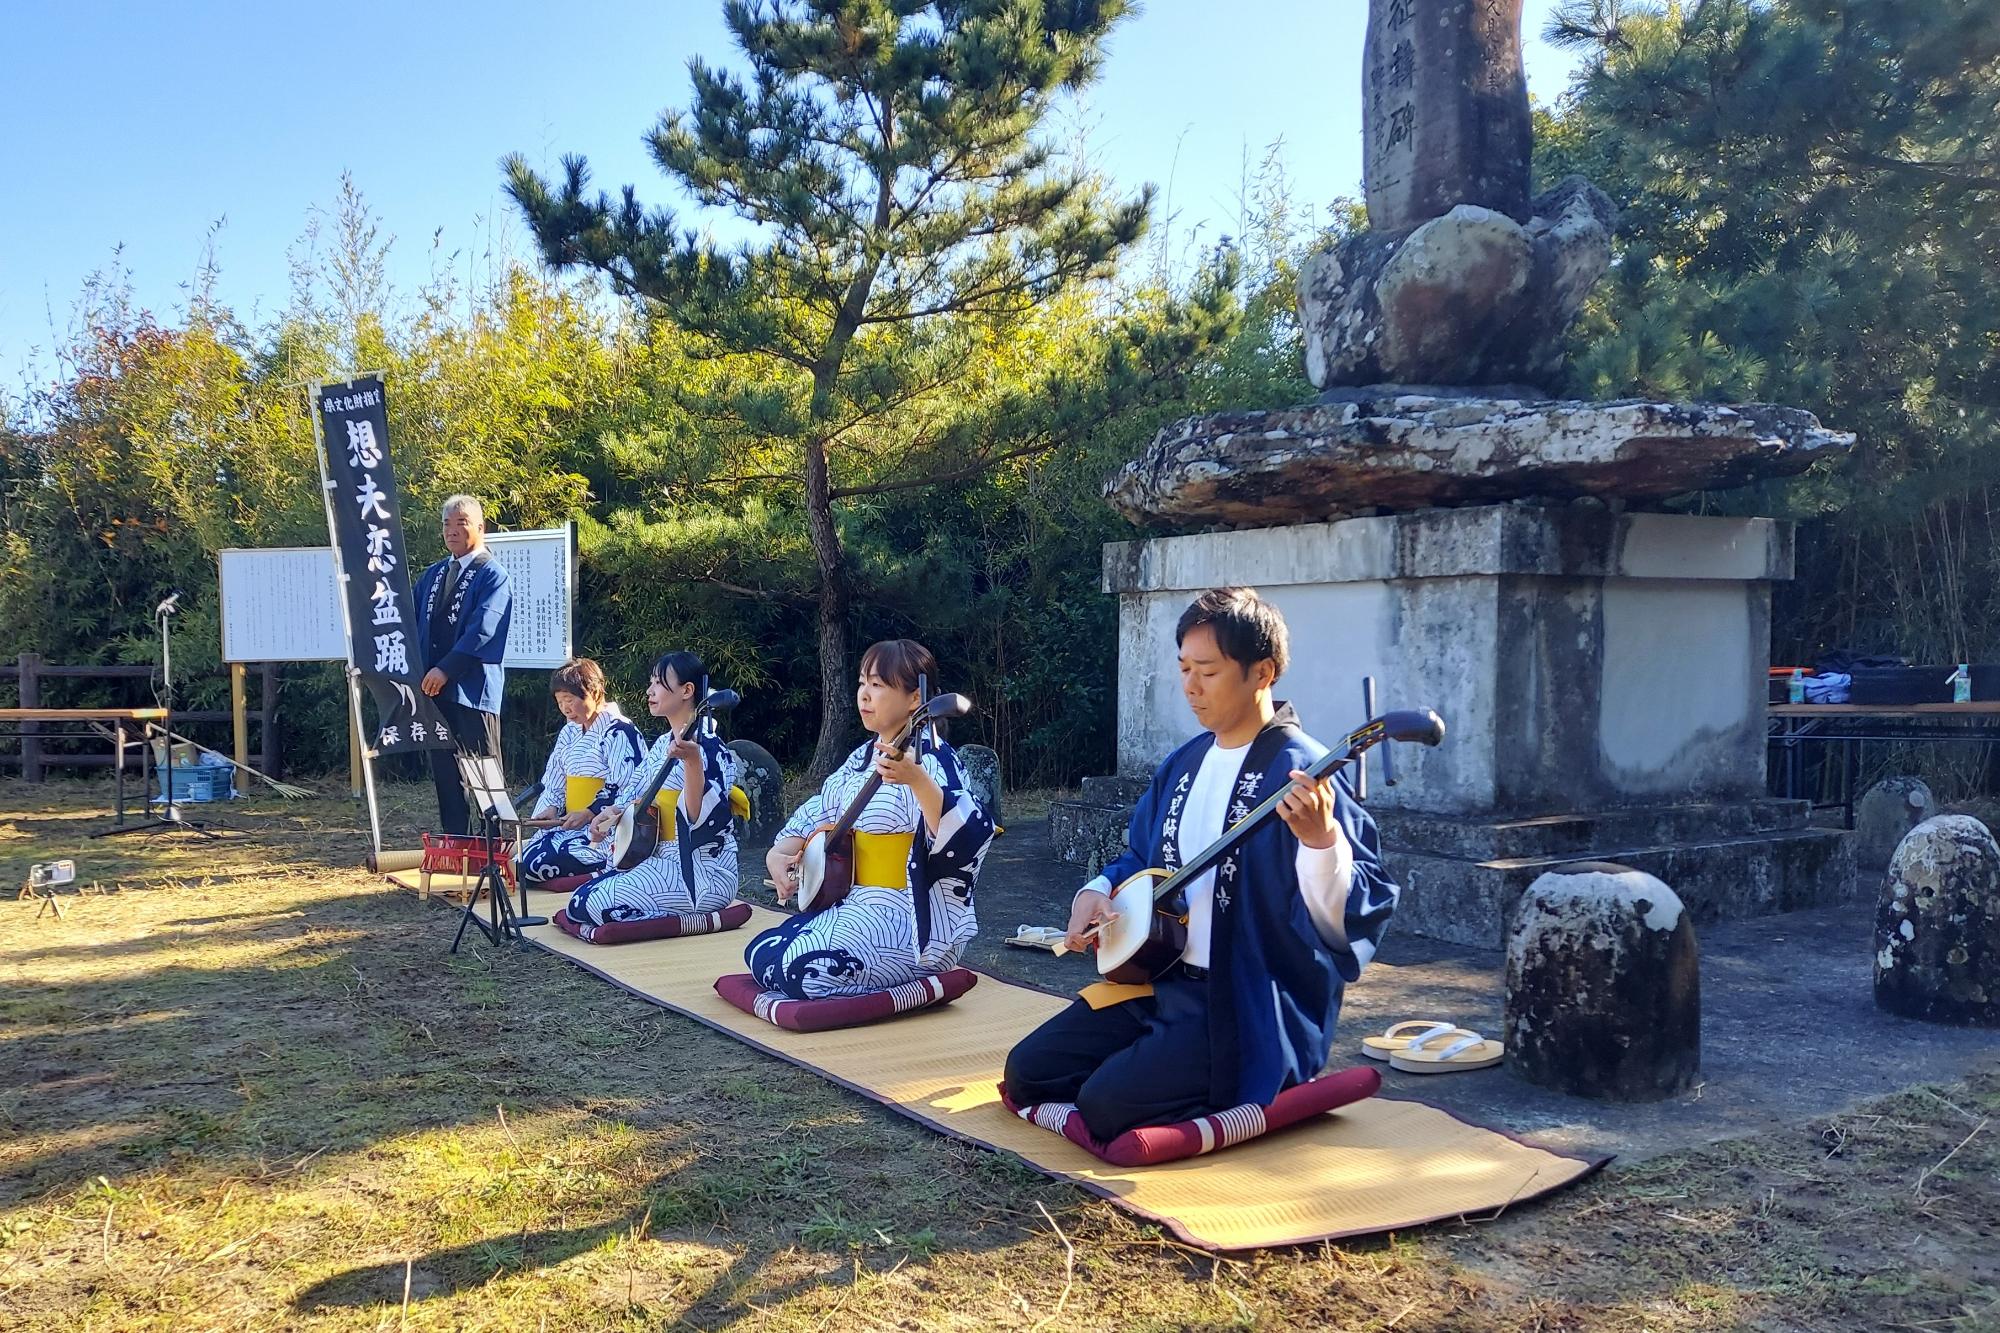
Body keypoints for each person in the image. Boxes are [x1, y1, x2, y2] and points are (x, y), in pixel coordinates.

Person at [1002, 587, 1399, 1142]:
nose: (1190, 686)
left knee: (1104, 1106)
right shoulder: (1184, 763)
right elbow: (1142, 859)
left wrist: (1320, 840)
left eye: (1207, 672)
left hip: (1245, 1004)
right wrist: (1095, 890)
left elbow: (1355, 911)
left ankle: (1216, 1080)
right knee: (1027, 1073)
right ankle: (1155, 1064)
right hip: (1160, 981)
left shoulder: (1304, 772)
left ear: (1262, 672)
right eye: (1184, 668)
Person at [750, 639, 993, 999]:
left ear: (915, 699)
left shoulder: (935, 759)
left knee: (799, 972)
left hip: (905, 916)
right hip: (852, 902)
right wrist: (778, 853)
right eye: (862, 683)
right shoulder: (860, 759)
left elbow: (966, 834)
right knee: (761, 953)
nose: (864, 694)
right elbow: (817, 811)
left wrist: (918, 781)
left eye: (877, 685)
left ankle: (920, 977)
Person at [566, 651, 740, 926]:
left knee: (594, 904)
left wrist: (693, 762)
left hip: (701, 870)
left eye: (658, 683)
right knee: (580, 900)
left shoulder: (711, 749)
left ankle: (672, 920)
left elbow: (698, 818)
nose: (650, 691)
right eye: (651, 683)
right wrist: (608, 815)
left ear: (687, 690)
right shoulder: (661, 745)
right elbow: (632, 792)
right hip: (657, 858)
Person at [412, 494, 513, 836]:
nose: (452, 531)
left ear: (480, 528)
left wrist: (445, 670)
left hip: (473, 690)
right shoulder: (433, 575)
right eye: (447, 524)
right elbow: (410, 625)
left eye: (461, 523)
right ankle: (457, 845)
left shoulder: (492, 574)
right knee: (445, 771)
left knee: (484, 771)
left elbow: (485, 629)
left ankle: (498, 849)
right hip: (434, 692)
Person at [515, 658, 647, 888]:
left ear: (594, 693)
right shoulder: (569, 732)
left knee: (530, 863)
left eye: (570, 699)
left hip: (603, 831)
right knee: (517, 854)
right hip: (569, 822)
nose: (565, 708)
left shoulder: (620, 730)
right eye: (559, 701)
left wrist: (588, 813)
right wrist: (552, 809)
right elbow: (553, 781)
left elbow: (627, 786)